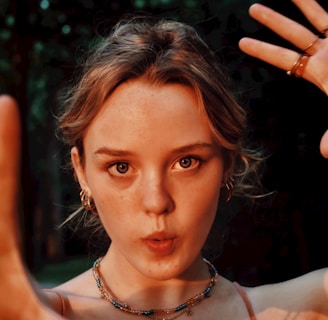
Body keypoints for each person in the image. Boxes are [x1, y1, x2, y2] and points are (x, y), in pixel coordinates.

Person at [0, 0, 328, 319]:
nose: (157, 202)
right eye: (121, 167)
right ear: (82, 172)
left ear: (227, 162)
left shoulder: (305, 308)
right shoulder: (25, 311)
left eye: (186, 162)